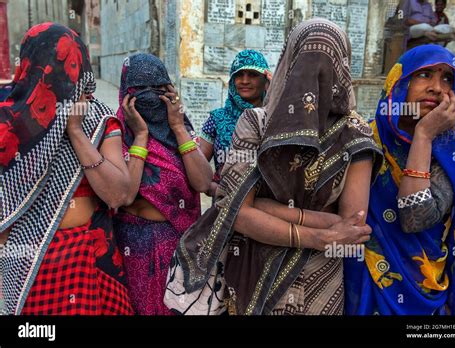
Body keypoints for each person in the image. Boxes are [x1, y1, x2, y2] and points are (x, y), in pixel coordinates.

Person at [172, 18, 383, 315]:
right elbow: (235, 214)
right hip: (256, 271)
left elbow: (352, 226)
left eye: (326, 62)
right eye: (308, 63)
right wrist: (317, 234)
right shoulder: (255, 124)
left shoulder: (355, 134)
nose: (315, 75)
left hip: (321, 281)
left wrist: (263, 207)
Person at [0, 23, 134, 314]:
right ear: (36, 66)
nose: (67, 77)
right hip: (32, 267)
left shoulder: (96, 117)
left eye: (73, 67)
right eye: (58, 67)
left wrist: (75, 131)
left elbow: (118, 195)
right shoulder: (9, 121)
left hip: (92, 261)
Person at [344, 44, 455, 315]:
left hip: (426, 294)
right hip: (364, 282)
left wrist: (424, 136)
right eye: (424, 75)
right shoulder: (363, 138)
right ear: (398, 83)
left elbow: (414, 217)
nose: (437, 88)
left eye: (447, 78)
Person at [114, 53, 213, 315]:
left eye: (158, 89)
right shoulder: (116, 132)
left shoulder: (180, 127)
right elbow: (125, 195)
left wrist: (178, 127)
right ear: (126, 93)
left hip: (176, 244)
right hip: (131, 245)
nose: (150, 97)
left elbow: (203, 181)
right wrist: (142, 135)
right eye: (140, 90)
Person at [200, 49, 271, 196]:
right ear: (232, 80)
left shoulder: (275, 117)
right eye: (239, 75)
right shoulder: (217, 119)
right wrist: (213, 188)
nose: (245, 81)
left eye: (253, 75)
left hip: (268, 206)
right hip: (223, 207)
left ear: (266, 80)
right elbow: (196, 167)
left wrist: (275, 97)